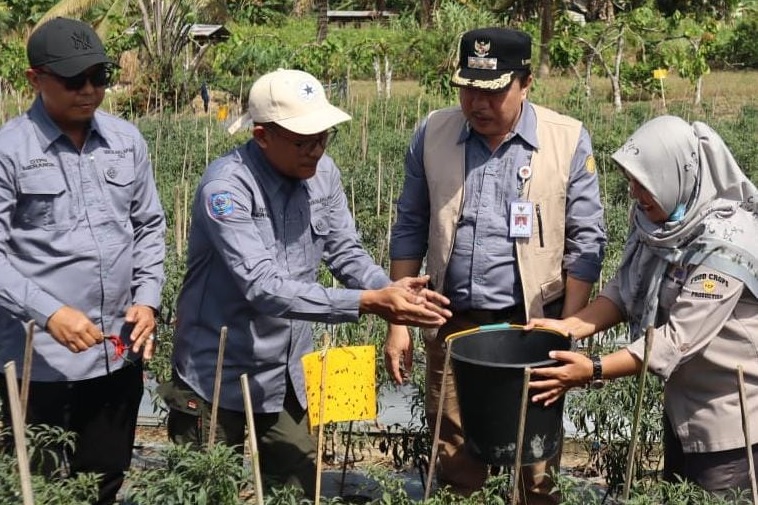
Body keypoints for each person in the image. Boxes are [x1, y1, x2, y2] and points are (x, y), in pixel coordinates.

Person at [163, 68, 451, 500]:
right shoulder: (226, 188)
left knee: (296, 489)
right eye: (304, 141)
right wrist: (371, 301)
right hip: (217, 373)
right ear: (262, 136)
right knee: (202, 491)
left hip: (286, 374)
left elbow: (345, 252)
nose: (316, 149)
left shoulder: (324, 174)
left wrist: (393, 292)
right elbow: (263, 287)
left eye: (324, 137)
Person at [383, 27, 606, 503]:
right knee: (455, 460)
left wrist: (566, 326)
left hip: (531, 329)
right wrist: (398, 320)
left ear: (526, 84)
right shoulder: (434, 133)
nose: (477, 104)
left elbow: (587, 243)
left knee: (536, 468)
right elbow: (409, 225)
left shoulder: (566, 139)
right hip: (454, 326)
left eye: (493, 91)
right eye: (468, 89)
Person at [528, 115, 758, 497]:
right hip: (683, 407)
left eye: (643, 182)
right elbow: (625, 288)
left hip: (731, 420)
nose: (635, 192)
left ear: (674, 175)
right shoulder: (658, 222)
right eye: (631, 181)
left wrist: (594, 369)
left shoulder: (727, 245)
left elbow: (675, 339)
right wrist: (570, 327)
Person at [0, 17, 166, 505]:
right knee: (41, 486)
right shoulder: (8, 151)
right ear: (35, 79)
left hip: (117, 352)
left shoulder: (125, 140)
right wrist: (49, 313)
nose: (90, 91)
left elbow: (149, 226)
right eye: (75, 81)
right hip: (39, 362)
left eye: (100, 77)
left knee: (104, 479)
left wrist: (148, 300)